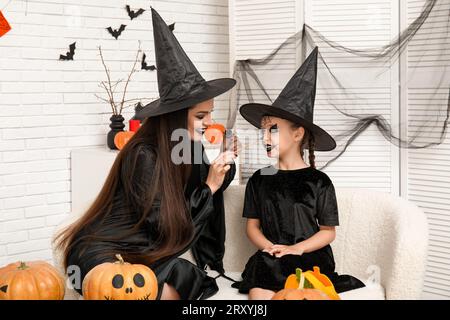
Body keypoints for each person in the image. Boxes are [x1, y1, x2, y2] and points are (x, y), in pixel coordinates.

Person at [54, 8, 238, 300]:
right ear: (176, 118)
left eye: (210, 115)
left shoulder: (190, 148)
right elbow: (165, 224)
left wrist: (224, 164)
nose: (207, 123)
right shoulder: (144, 155)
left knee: (185, 276)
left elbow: (207, 186)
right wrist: (210, 186)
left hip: (147, 251)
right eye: (201, 115)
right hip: (108, 250)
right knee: (132, 285)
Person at [233, 47, 365, 299]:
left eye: (273, 129)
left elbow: (328, 231)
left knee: (303, 294)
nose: (265, 137)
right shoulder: (260, 179)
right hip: (272, 257)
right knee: (258, 294)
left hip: (308, 256)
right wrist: (270, 247)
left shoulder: (319, 182)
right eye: (263, 130)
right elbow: (252, 227)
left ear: (297, 133)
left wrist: (297, 249)